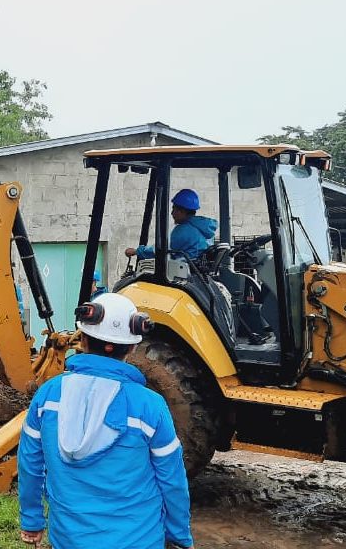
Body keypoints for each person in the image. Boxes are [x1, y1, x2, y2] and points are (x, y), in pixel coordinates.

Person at [18, 293, 193, 549]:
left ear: (83, 339)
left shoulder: (48, 396)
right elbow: (172, 480)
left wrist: (32, 520)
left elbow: (30, 465)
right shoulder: (150, 406)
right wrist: (179, 536)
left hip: (69, 541)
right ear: (132, 346)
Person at [126, 189, 217, 260]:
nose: (172, 213)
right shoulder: (203, 228)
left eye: (174, 209)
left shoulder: (184, 231)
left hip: (182, 272)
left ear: (182, 211)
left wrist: (137, 251)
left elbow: (160, 250)